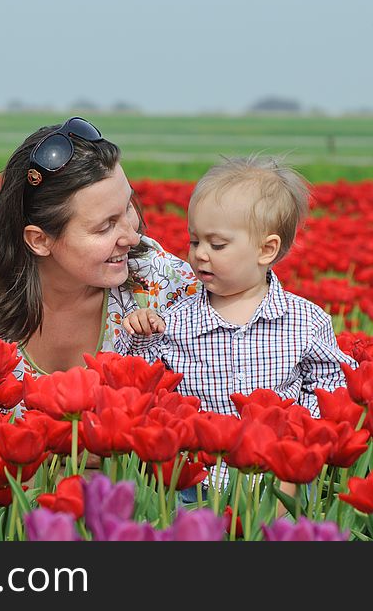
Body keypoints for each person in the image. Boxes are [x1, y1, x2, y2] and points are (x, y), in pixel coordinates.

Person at [0, 117, 198, 415]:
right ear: (39, 240)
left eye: (127, 206)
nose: (132, 236)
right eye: (105, 227)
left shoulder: (160, 280)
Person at [123, 156, 357, 500]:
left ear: (267, 249)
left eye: (217, 245)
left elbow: (331, 385)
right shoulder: (176, 321)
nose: (201, 254)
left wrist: (299, 435)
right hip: (200, 480)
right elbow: (147, 386)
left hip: (278, 478)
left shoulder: (305, 321)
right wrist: (144, 339)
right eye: (194, 241)